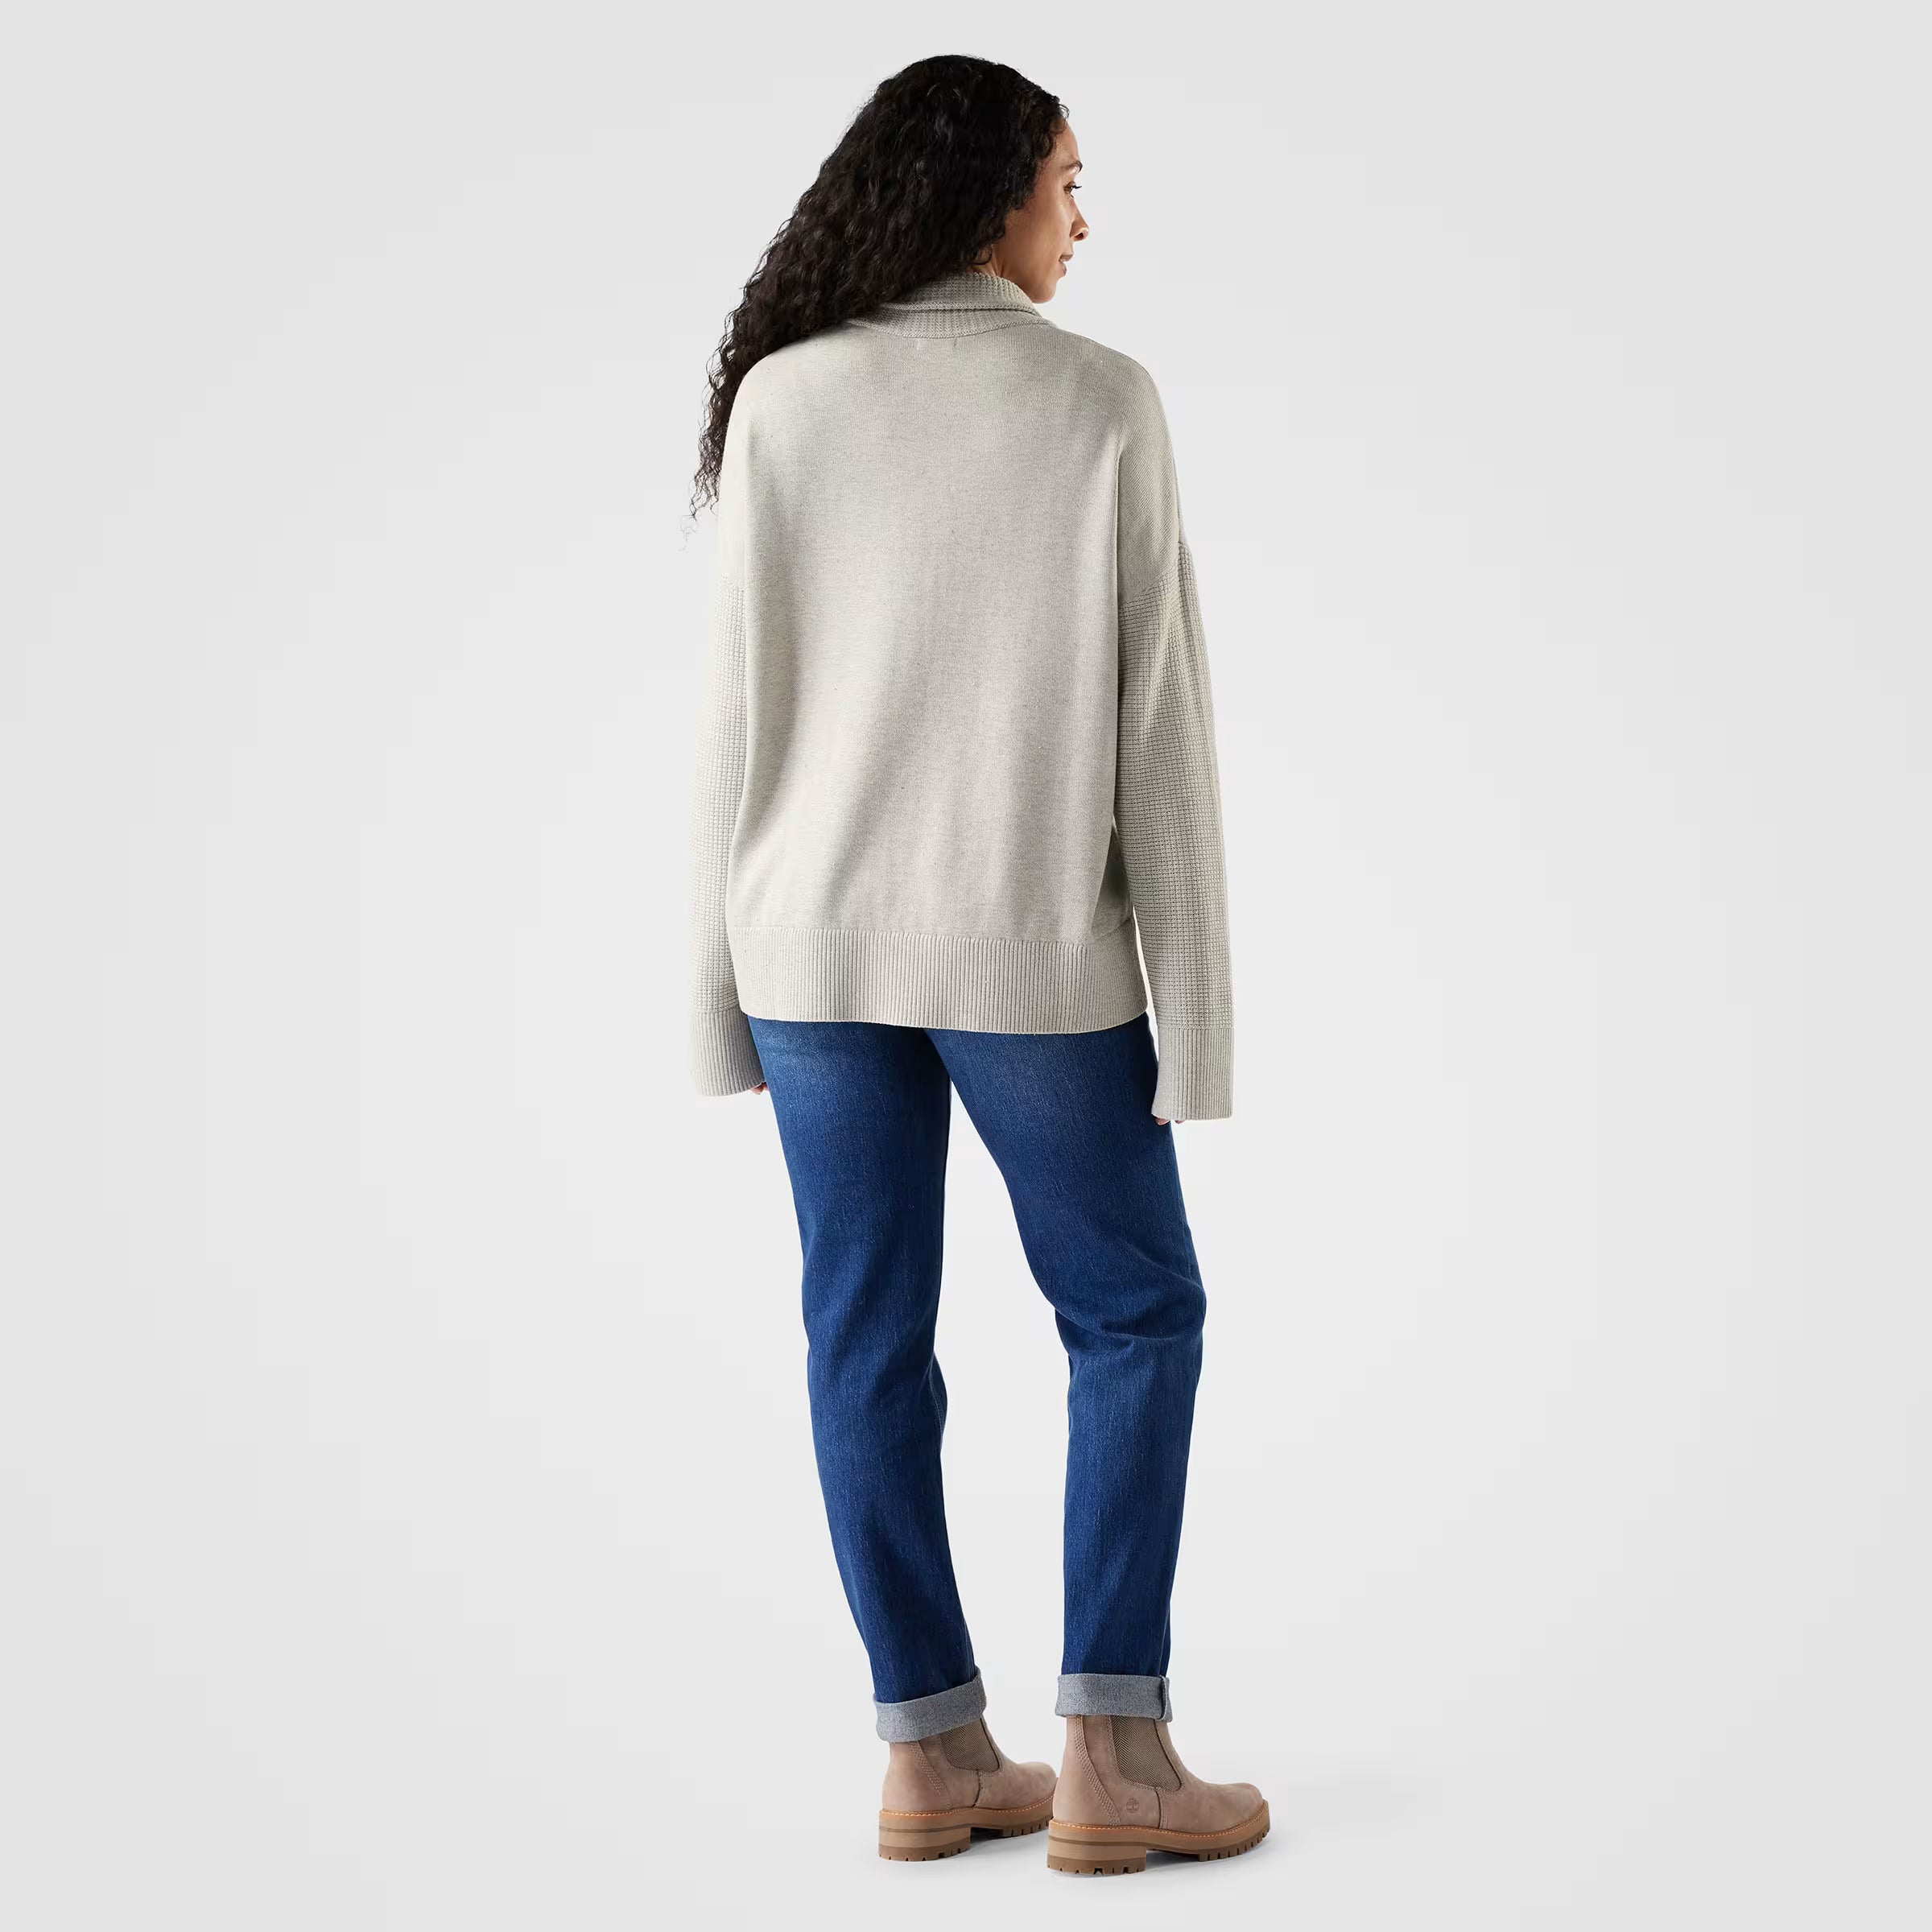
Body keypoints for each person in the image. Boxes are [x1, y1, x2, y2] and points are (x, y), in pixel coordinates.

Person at [685, 54, 1266, 1876]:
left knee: (863, 1341)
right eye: (1068, 182)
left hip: (807, 954)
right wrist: (1201, 1024)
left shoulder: (784, 398)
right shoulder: (1099, 402)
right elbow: (1162, 736)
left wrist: (711, 998)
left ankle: (933, 1756)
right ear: (991, 192)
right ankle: (1116, 1752)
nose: (1084, 219)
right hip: (1029, 957)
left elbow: (732, 721)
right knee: (1136, 1316)